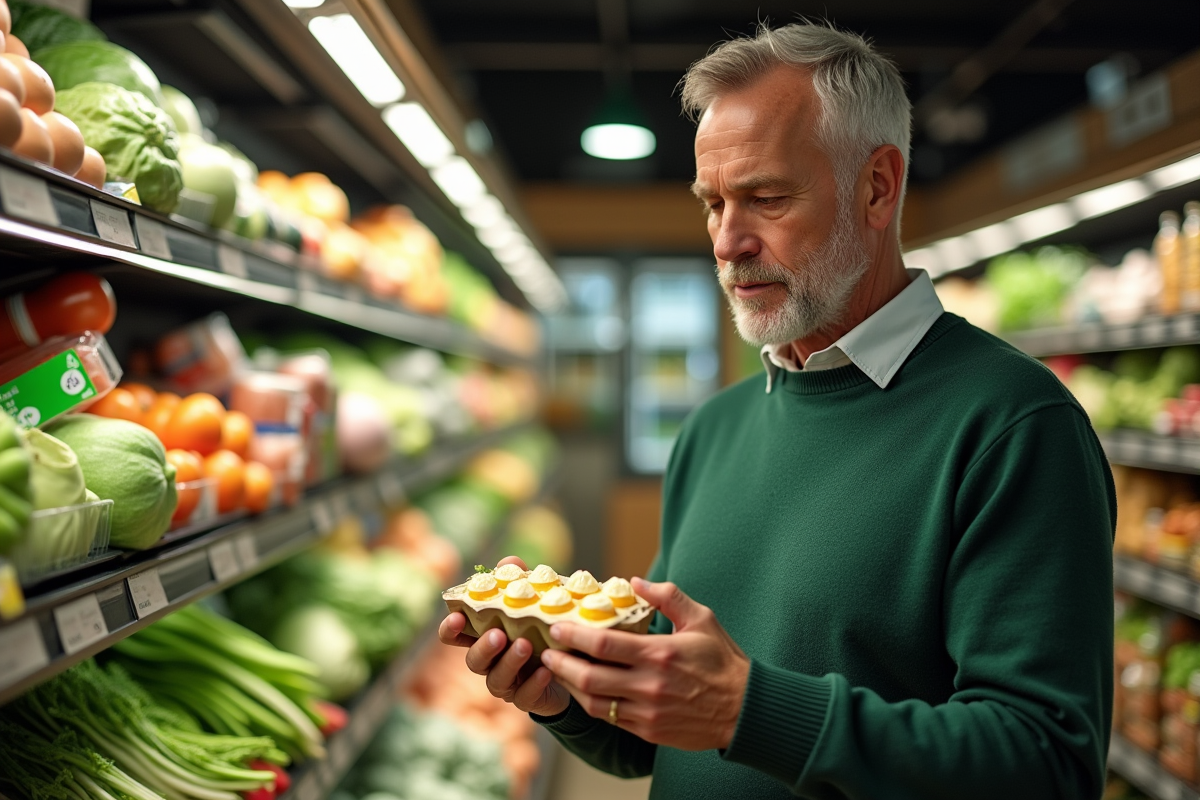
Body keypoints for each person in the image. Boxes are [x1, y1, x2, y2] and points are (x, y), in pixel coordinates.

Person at [439, 21, 1115, 800]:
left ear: (877, 186)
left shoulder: (1012, 426)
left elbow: (1048, 766)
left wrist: (747, 710)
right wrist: (562, 693)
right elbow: (655, 737)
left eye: (765, 197)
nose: (727, 241)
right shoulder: (714, 430)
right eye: (712, 204)